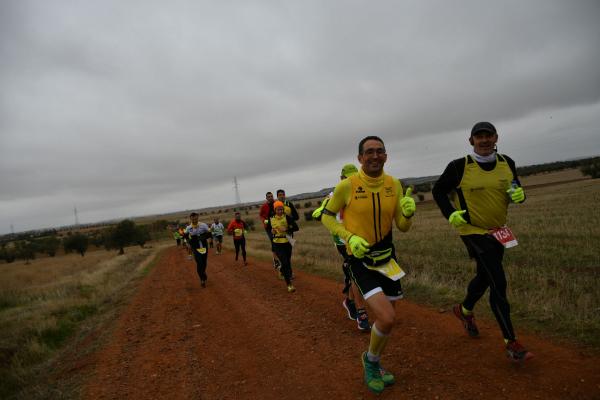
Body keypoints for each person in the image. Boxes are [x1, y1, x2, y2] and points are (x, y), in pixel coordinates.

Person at [321, 136, 415, 394]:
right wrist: (349, 237)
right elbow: (328, 218)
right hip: (360, 260)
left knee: (387, 323)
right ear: (360, 158)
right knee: (387, 317)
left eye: (380, 151)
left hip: (387, 259)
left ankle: (374, 360)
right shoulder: (347, 186)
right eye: (369, 152)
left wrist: (407, 214)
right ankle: (371, 364)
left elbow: (403, 227)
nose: (375, 156)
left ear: (386, 155)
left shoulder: (393, 184)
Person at [432, 121, 533, 362]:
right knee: (498, 281)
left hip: (499, 231)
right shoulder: (459, 167)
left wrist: (520, 195)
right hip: (473, 231)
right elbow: (438, 191)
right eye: (480, 137)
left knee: (486, 275)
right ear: (471, 141)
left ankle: (464, 310)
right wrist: (451, 213)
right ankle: (511, 342)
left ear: (496, 137)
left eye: (489, 136)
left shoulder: (507, 163)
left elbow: (514, 188)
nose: (485, 140)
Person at [312, 163, 371, 331]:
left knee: (356, 274)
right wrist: (321, 211)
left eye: (354, 177)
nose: (351, 180)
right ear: (341, 179)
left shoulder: (361, 191)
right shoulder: (333, 195)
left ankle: (349, 300)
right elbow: (324, 211)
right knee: (356, 275)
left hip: (360, 240)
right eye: (347, 178)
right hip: (343, 243)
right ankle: (361, 313)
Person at [267, 200, 299, 293]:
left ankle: (283, 270)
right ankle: (289, 284)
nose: (280, 211)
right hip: (277, 243)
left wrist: (287, 228)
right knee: (284, 262)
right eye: (278, 210)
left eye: (281, 209)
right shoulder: (271, 219)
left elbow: (296, 227)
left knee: (288, 262)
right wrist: (272, 232)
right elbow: (269, 228)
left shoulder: (287, 217)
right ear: (275, 209)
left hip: (288, 241)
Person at [185, 212, 211, 288]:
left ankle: (203, 272)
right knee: (199, 263)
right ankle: (202, 280)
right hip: (195, 247)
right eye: (192, 218)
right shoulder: (188, 228)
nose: (194, 219)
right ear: (190, 219)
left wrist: (208, 238)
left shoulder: (203, 225)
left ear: (198, 218)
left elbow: (209, 233)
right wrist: (187, 243)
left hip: (204, 246)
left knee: (204, 262)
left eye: (195, 218)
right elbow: (185, 236)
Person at [259, 192, 281, 270]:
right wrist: (264, 221)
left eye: (271, 196)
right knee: (273, 240)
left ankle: (277, 258)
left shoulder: (276, 203)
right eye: (269, 197)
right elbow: (261, 215)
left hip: (277, 225)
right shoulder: (264, 206)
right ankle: (275, 260)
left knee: (279, 240)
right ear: (266, 198)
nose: (270, 197)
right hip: (268, 227)